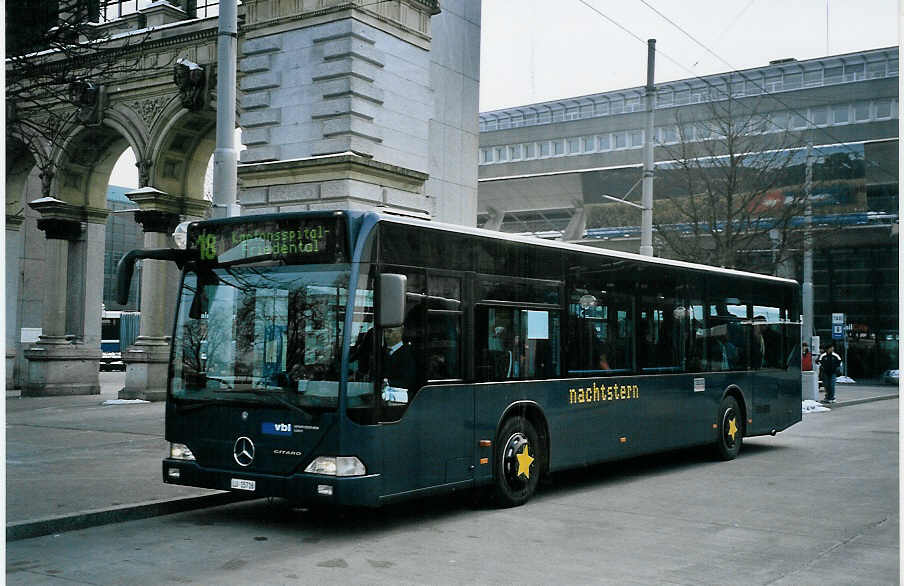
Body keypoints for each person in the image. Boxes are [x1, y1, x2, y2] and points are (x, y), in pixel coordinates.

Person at [381, 326, 416, 403]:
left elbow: (408, 381)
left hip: (399, 398)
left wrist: (387, 382)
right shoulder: (382, 352)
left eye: (390, 331)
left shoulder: (408, 353)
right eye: (384, 331)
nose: (386, 335)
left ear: (400, 333)